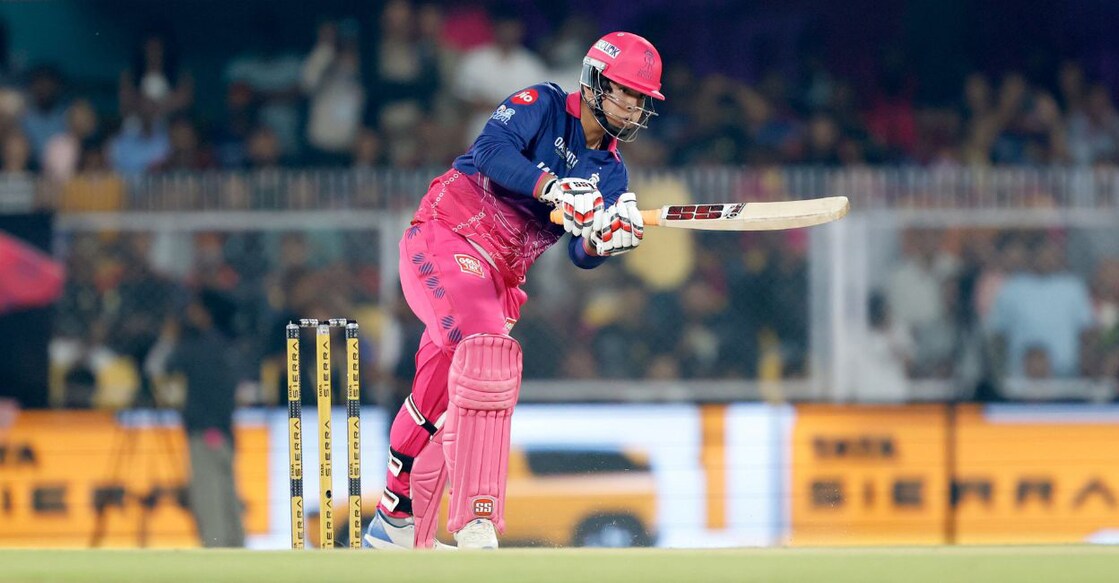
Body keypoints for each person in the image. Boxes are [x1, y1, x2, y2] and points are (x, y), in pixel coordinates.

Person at [362, 31, 663, 550]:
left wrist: (604, 241)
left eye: (642, 100)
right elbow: (489, 151)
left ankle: (396, 521)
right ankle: (478, 520)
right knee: (486, 357)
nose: (634, 107)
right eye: (626, 92)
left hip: (497, 281)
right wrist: (552, 187)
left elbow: (579, 254)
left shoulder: (611, 173)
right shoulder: (541, 104)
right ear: (594, 81)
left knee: (437, 402)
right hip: (445, 238)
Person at [165, 289, 245, 547]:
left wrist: (170, 338)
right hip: (224, 432)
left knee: (207, 497)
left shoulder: (197, 347)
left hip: (205, 432)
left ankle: (216, 552)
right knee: (227, 493)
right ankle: (238, 548)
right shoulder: (228, 345)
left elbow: (159, 367)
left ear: (206, 313)